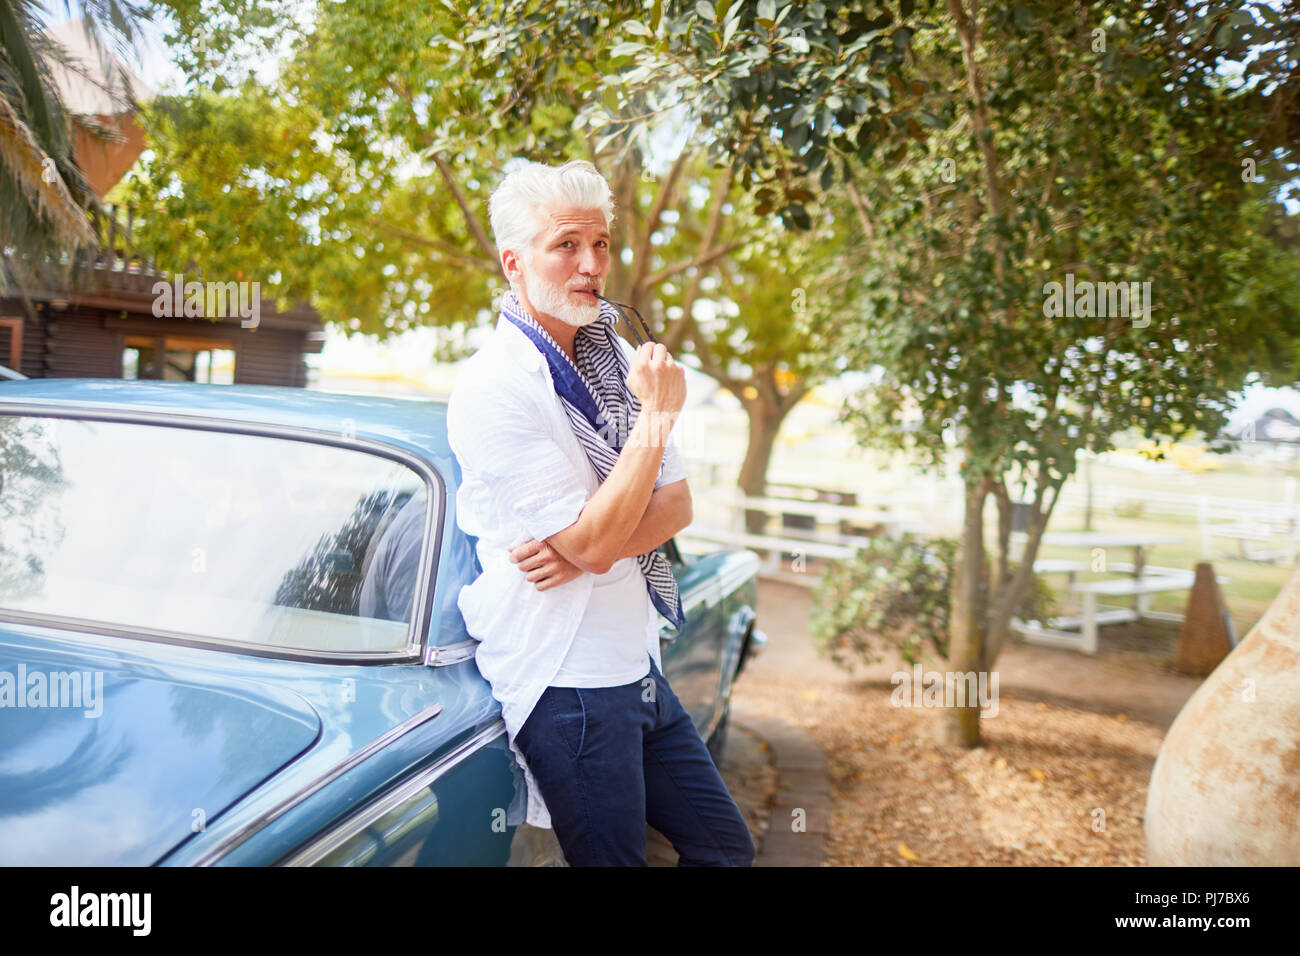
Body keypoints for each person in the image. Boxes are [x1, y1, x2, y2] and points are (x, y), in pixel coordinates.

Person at [445, 159, 755, 867]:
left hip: (635, 661)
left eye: (603, 244)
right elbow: (593, 540)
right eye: (567, 245)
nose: (592, 264)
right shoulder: (494, 387)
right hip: (568, 677)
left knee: (724, 849)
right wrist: (653, 423)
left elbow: (676, 505)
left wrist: (595, 545)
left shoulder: (617, 356)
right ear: (513, 263)